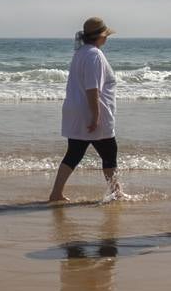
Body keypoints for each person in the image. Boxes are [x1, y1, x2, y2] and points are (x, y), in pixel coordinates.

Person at [47, 17, 122, 203]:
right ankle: (116, 193)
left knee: (74, 153)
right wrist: (96, 116)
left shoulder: (81, 52)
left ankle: (56, 193)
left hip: (77, 111)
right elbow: (92, 88)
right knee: (109, 152)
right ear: (100, 36)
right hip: (92, 112)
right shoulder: (94, 55)